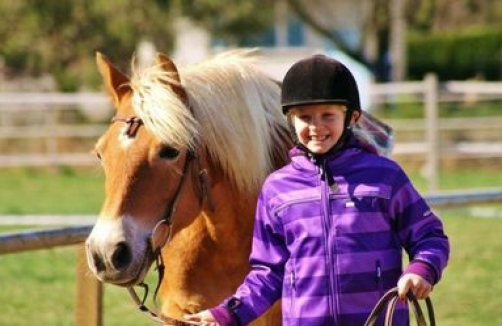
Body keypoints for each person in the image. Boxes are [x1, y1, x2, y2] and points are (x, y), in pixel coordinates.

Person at [184, 54, 450, 326]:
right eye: (305, 117)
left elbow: (429, 236)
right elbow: (268, 273)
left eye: (328, 115)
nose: (316, 127)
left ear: (352, 117)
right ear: (290, 120)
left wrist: (422, 270)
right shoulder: (277, 190)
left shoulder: (385, 176)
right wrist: (227, 314)